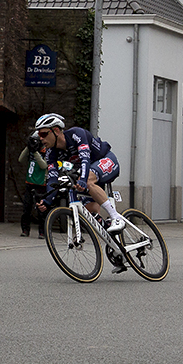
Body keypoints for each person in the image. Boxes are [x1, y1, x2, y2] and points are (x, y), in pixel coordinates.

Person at [33, 113, 125, 271]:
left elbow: (85, 159)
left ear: (56, 130)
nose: (40, 138)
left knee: (87, 180)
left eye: (43, 133)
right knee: (90, 213)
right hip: (89, 173)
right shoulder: (51, 153)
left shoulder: (76, 134)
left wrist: (82, 179)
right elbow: (53, 178)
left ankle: (116, 217)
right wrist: (47, 200)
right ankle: (115, 245)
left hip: (106, 161)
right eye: (38, 134)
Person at [18, 131, 47, 238]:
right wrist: (28, 147)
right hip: (29, 182)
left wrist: (35, 152)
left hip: (41, 184)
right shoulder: (30, 150)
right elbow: (20, 159)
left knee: (41, 210)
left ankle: (42, 232)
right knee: (26, 208)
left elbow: (44, 165)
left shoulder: (45, 150)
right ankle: (25, 230)